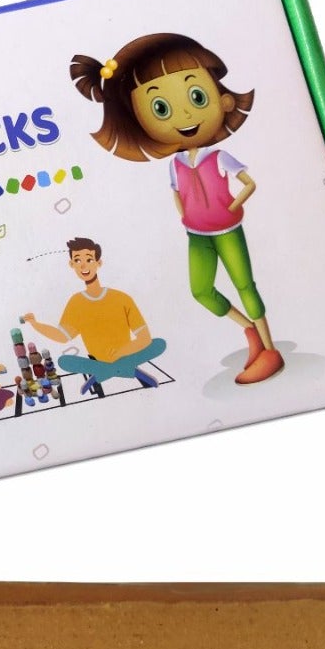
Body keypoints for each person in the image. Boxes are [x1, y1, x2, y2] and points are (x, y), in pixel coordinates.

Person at [68, 34, 285, 385]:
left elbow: (248, 183)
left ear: (223, 100)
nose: (184, 115)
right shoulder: (176, 162)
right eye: (160, 108)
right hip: (197, 234)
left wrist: (231, 205)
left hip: (227, 230)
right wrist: (184, 215)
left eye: (197, 97)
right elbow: (176, 191)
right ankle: (250, 332)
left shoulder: (218, 155)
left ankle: (271, 350)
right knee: (201, 291)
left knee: (245, 285)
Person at [22, 238, 166, 397]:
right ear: (72, 264)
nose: (83, 266)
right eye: (78, 260)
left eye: (89, 259)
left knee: (158, 344)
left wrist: (121, 352)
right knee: (65, 361)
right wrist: (35, 324)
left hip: (126, 357)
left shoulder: (121, 298)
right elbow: (62, 336)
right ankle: (114, 369)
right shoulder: (76, 302)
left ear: (99, 262)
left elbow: (145, 338)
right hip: (98, 361)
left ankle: (107, 371)